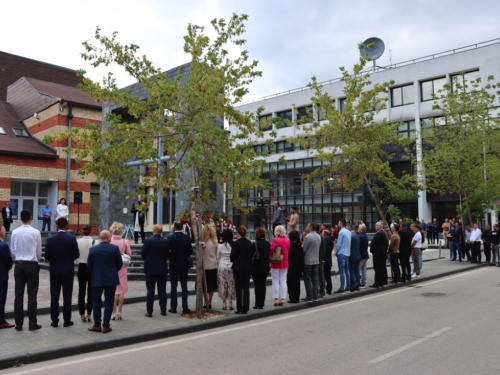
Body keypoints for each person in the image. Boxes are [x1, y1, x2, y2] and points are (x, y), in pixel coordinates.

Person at [10, 210, 42, 331]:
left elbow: (12, 250)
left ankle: (18, 324)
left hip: (19, 264)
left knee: (18, 295)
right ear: (31, 218)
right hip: (31, 264)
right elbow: (38, 251)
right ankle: (32, 323)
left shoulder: (15, 232)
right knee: (32, 295)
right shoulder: (36, 232)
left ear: (20, 218)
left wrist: (18, 256)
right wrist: (35, 259)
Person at [45, 218, 79, 328]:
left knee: (54, 296)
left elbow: (47, 256)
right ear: (67, 226)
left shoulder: (50, 239)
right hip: (68, 270)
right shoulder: (71, 239)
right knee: (67, 295)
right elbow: (76, 255)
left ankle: (54, 320)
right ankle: (67, 320)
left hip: (55, 270)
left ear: (56, 226)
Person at [87, 230, 122, 333]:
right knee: (109, 301)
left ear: (100, 238)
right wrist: (112, 271)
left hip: (97, 278)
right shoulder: (114, 248)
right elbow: (119, 264)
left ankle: (97, 325)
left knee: (96, 302)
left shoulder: (93, 249)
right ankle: (106, 325)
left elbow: (89, 265)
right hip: (111, 279)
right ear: (109, 238)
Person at [141, 224, 169, 317]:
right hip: (162, 268)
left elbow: (143, 254)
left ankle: (149, 311)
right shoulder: (165, 242)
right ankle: (163, 309)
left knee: (150, 290)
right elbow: (168, 255)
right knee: (162, 290)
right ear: (161, 232)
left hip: (150, 268)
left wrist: (148, 260)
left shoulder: (148, 241)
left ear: (153, 230)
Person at [168, 221, 193, 314]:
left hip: (173, 264)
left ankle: (173, 307)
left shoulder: (170, 238)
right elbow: (190, 251)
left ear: (174, 227)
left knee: (173, 286)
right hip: (183, 264)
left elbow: (167, 252)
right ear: (182, 228)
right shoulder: (186, 238)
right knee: (184, 286)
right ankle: (185, 307)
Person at [110, 222, 132, 320]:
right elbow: (129, 253)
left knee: (114, 291)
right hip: (122, 267)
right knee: (121, 291)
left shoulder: (109, 240)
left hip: (111, 267)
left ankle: (113, 312)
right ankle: (120, 312)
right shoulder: (125, 241)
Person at [230, 225, 253, 314]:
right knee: (246, 287)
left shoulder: (235, 243)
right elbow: (251, 254)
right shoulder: (249, 243)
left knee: (238, 288)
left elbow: (232, 257)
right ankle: (246, 307)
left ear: (238, 233)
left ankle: (239, 308)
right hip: (247, 267)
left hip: (238, 267)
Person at [77, 225, 96, 322]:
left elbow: (76, 256)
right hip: (91, 267)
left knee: (81, 291)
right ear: (91, 231)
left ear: (82, 231)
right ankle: (89, 313)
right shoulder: (95, 242)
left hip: (81, 266)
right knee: (91, 292)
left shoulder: (78, 241)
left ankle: (82, 314)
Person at [270, 225, 290, 306]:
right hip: (285, 262)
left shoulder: (275, 240)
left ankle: (276, 299)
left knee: (275, 281)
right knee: (283, 280)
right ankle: (282, 298)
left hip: (276, 262)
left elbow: (271, 250)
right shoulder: (287, 240)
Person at [301, 222, 321, 303]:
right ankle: (315, 295)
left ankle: (309, 296)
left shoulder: (307, 237)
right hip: (316, 259)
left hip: (308, 260)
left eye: (308, 226)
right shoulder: (318, 236)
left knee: (307, 278)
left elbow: (304, 249)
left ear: (310, 228)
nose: (307, 227)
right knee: (315, 278)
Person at [252, 227, 270, 309]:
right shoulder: (267, 243)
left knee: (257, 285)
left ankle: (257, 303)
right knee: (263, 285)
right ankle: (262, 302)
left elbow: (252, 255)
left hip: (257, 267)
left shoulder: (256, 244)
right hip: (265, 267)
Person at [218, 229, 236, 311]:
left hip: (222, 266)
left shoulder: (220, 246)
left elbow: (218, 257)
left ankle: (224, 303)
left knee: (223, 284)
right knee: (231, 285)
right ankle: (230, 303)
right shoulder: (234, 246)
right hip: (231, 266)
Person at [0, 226, 14, 329]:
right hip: (1, 276)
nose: (5, 233)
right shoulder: (3, 246)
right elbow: (9, 261)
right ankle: (1, 321)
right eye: (4, 231)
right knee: (1, 299)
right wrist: (8, 268)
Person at [202, 224, 218, 309]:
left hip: (204, 265)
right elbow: (216, 254)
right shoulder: (215, 241)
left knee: (204, 285)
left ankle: (205, 301)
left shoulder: (202, 242)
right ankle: (210, 301)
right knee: (211, 285)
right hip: (212, 265)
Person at [370, 221, 389, 288]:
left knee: (377, 268)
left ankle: (377, 282)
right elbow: (387, 243)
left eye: (377, 225)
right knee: (382, 267)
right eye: (375, 225)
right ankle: (382, 281)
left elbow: (373, 243)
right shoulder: (384, 233)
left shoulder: (379, 234)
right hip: (382, 253)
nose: (375, 226)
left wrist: (372, 250)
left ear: (381, 226)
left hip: (378, 254)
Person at [334, 219, 351, 294]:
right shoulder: (348, 232)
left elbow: (339, 244)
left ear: (341, 224)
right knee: (347, 270)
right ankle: (348, 286)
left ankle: (342, 287)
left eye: (338, 223)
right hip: (347, 252)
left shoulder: (341, 232)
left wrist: (336, 252)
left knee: (342, 271)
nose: (338, 224)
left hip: (342, 252)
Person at [287, 230, 304, 303]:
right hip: (299, 266)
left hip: (292, 266)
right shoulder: (299, 245)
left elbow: (289, 256)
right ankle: (296, 297)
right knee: (297, 283)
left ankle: (292, 298)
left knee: (291, 282)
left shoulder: (291, 245)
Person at [348, 225, 360, 292]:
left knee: (351, 271)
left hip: (352, 256)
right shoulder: (357, 236)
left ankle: (352, 286)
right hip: (357, 255)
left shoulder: (351, 236)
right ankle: (357, 285)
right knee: (356, 271)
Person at [322, 230, 334, 294]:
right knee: (328, 275)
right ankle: (329, 288)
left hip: (324, 260)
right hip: (329, 260)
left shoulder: (324, 242)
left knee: (323, 275)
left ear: (325, 235)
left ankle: (322, 288)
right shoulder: (331, 242)